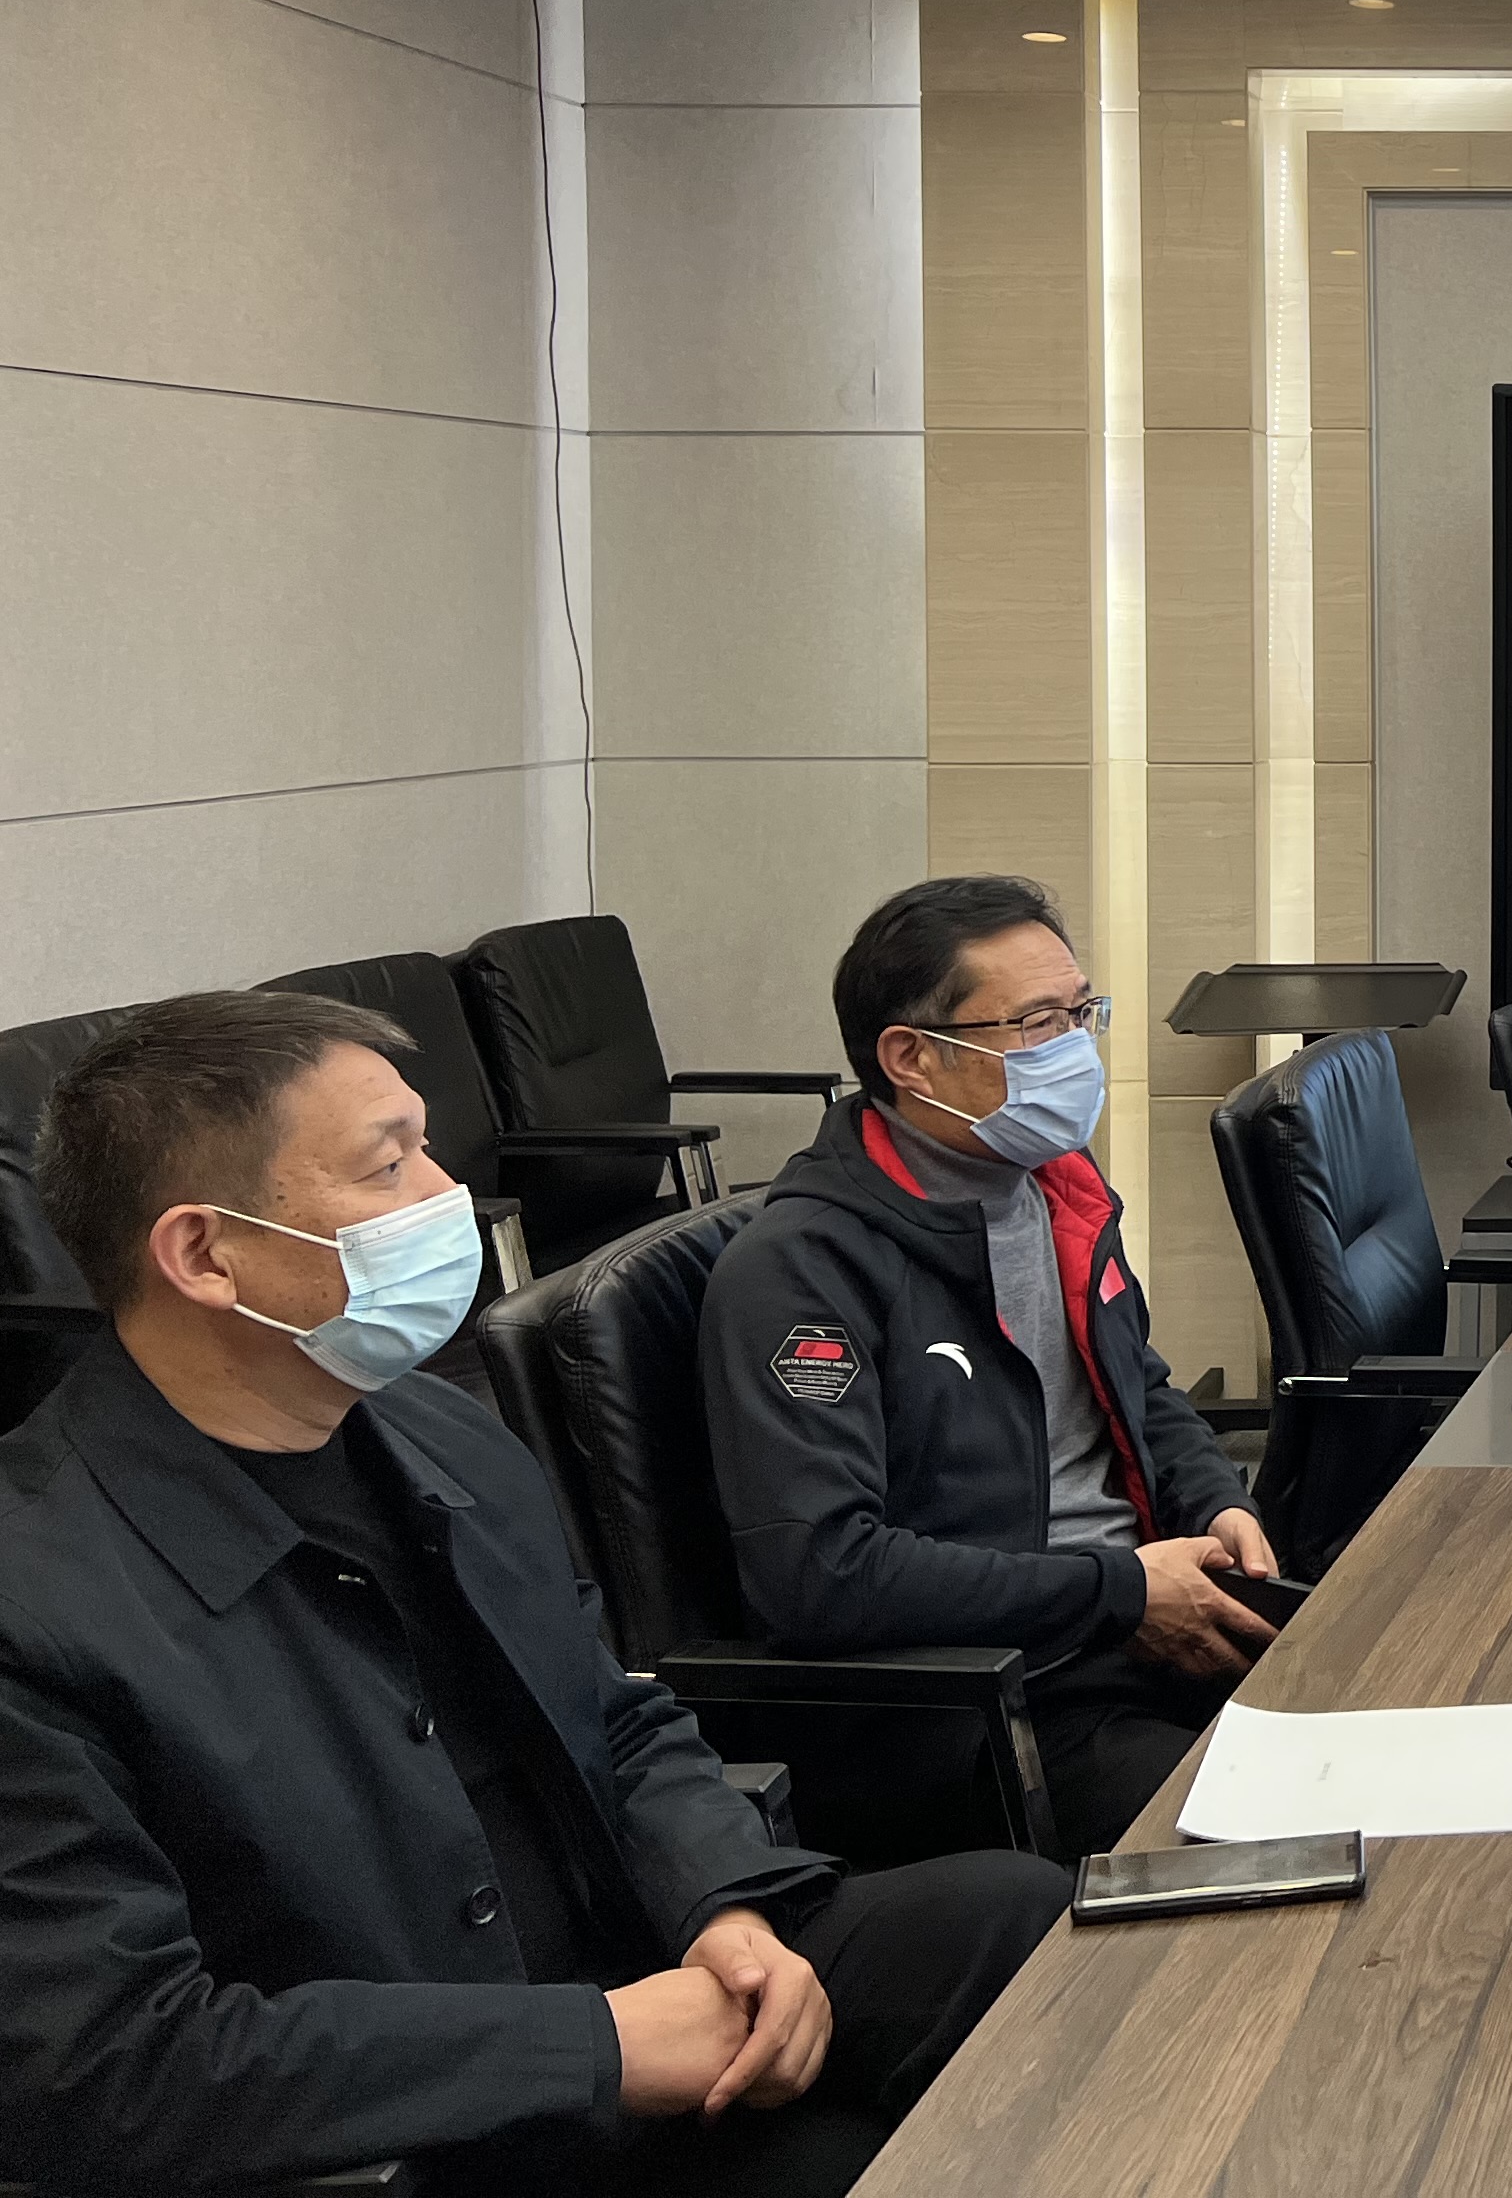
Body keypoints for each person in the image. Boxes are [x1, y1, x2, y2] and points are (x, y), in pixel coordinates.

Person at [0, 992, 1062, 2195]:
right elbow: (107, 2065)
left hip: (624, 1982)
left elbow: (615, 1715)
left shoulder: (440, 1435)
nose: (446, 1193)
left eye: (428, 1147)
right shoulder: (38, 1602)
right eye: (388, 1166)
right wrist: (592, 2046)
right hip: (420, 2121)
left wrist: (723, 1909)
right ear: (204, 1254)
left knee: (1016, 1925)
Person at [700, 876, 1273, 1858]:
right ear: (911, 1057)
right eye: (1037, 1023)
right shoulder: (801, 1273)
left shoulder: (1055, 1190)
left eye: (1080, 1013)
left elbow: (1139, 1384)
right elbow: (823, 1572)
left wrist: (1217, 1501)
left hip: (1140, 1622)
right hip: (996, 1705)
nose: (1074, 1049)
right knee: (1284, 1836)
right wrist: (1115, 1592)